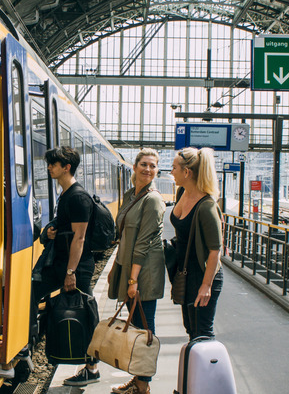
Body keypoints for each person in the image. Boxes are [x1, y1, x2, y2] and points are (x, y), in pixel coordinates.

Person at [31, 146, 100, 387]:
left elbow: (80, 238)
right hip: (62, 263)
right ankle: (29, 343)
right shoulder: (66, 194)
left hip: (75, 266)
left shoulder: (78, 197)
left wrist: (70, 273)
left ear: (66, 167)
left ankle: (91, 368)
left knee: (86, 311)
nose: (49, 167)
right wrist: (51, 232)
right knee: (33, 290)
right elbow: (68, 230)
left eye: (53, 164)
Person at [108, 148, 166, 394]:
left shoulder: (152, 200)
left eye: (153, 166)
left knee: (145, 329)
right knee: (139, 327)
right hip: (131, 268)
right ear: (134, 166)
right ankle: (138, 380)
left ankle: (143, 385)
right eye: (144, 164)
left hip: (144, 273)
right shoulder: (132, 195)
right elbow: (123, 236)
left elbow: (142, 243)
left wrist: (132, 279)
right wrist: (115, 267)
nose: (148, 169)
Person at [169, 147, 223, 341]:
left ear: (187, 172)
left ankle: (209, 371)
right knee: (191, 330)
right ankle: (193, 371)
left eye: (174, 167)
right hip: (186, 273)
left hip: (203, 275)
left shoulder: (207, 206)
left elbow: (215, 251)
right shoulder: (182, 192)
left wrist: (206, 286)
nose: (171, 172)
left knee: (202, 332)